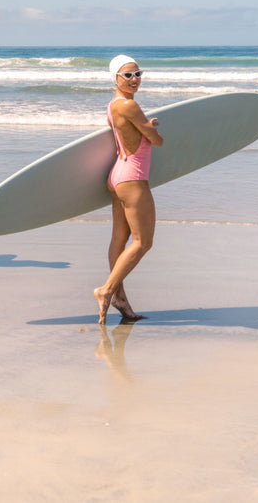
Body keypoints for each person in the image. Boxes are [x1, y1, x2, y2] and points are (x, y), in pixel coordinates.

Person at [94, 54, 164, 325]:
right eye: (128, 75)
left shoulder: (113, 105)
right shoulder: (130, 106)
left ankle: (120, 299)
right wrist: (150, 130)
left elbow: (131, 133)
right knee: (143, 242)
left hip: (117, 176)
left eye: (138, 74)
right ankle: (106, 290)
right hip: (133, 178)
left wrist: (145, 127)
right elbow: (157, 141)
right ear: (115, 78)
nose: (134, 80)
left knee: (119, 240)